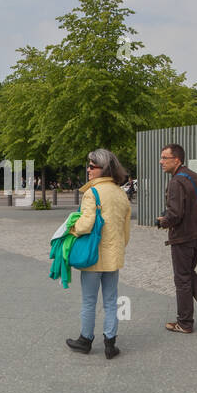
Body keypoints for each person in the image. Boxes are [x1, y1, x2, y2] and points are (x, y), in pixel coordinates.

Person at [65, 148, 133, 359]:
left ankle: (85, 340)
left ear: (102, 169)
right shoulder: (120, 193)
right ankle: (110, 343)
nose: (88, 169)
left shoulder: (92, 193)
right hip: (113, 257)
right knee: (112, 300)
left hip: (92, 257)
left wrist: (71, 229)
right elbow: (126, 231)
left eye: (92, 166)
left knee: (89, 300)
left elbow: (86, 224)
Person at [155, 142, 197, 334]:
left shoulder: (176, 182)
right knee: (188, 273)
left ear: (177, 160)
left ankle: (185, 322)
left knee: (182, 278)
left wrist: (162, 221)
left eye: (165, 158)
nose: (161, 161)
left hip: (183, 237)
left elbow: (175, 214)